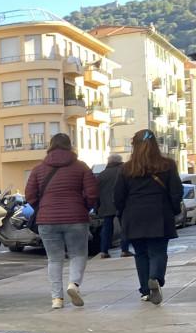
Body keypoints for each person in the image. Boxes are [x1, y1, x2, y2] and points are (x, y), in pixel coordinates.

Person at [24, 133, 98, 310]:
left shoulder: (38, 169)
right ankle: (74, 284)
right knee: (78, 254)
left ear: (50, 146)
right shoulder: (81, 167)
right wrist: (83, 207)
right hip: (76, 218)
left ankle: (57, 298)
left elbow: (29, 194)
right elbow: (92, 193)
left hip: (47, 220)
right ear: (69, 146)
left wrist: (43, 208)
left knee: (54, 259)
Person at [114, 129, 183, 304]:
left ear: (135, 146)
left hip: (134, 215)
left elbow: (118, 196)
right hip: (159, 213)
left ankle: (145, 290)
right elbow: (176, 191)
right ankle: (155, 278)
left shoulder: (126, 168)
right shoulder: (167, 165)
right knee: (158, 251)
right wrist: (174, 210)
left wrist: (122, 214)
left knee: (141, 254)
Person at [95, 153, 128, 258]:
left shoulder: (101, 175)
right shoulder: (124, 172)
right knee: (124, 227)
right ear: (120, 161)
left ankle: (104, 251)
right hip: (122, 204)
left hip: (106, 205)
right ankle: (124, 250)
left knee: (107, 228)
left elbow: (96, 193)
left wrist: (97, 207)